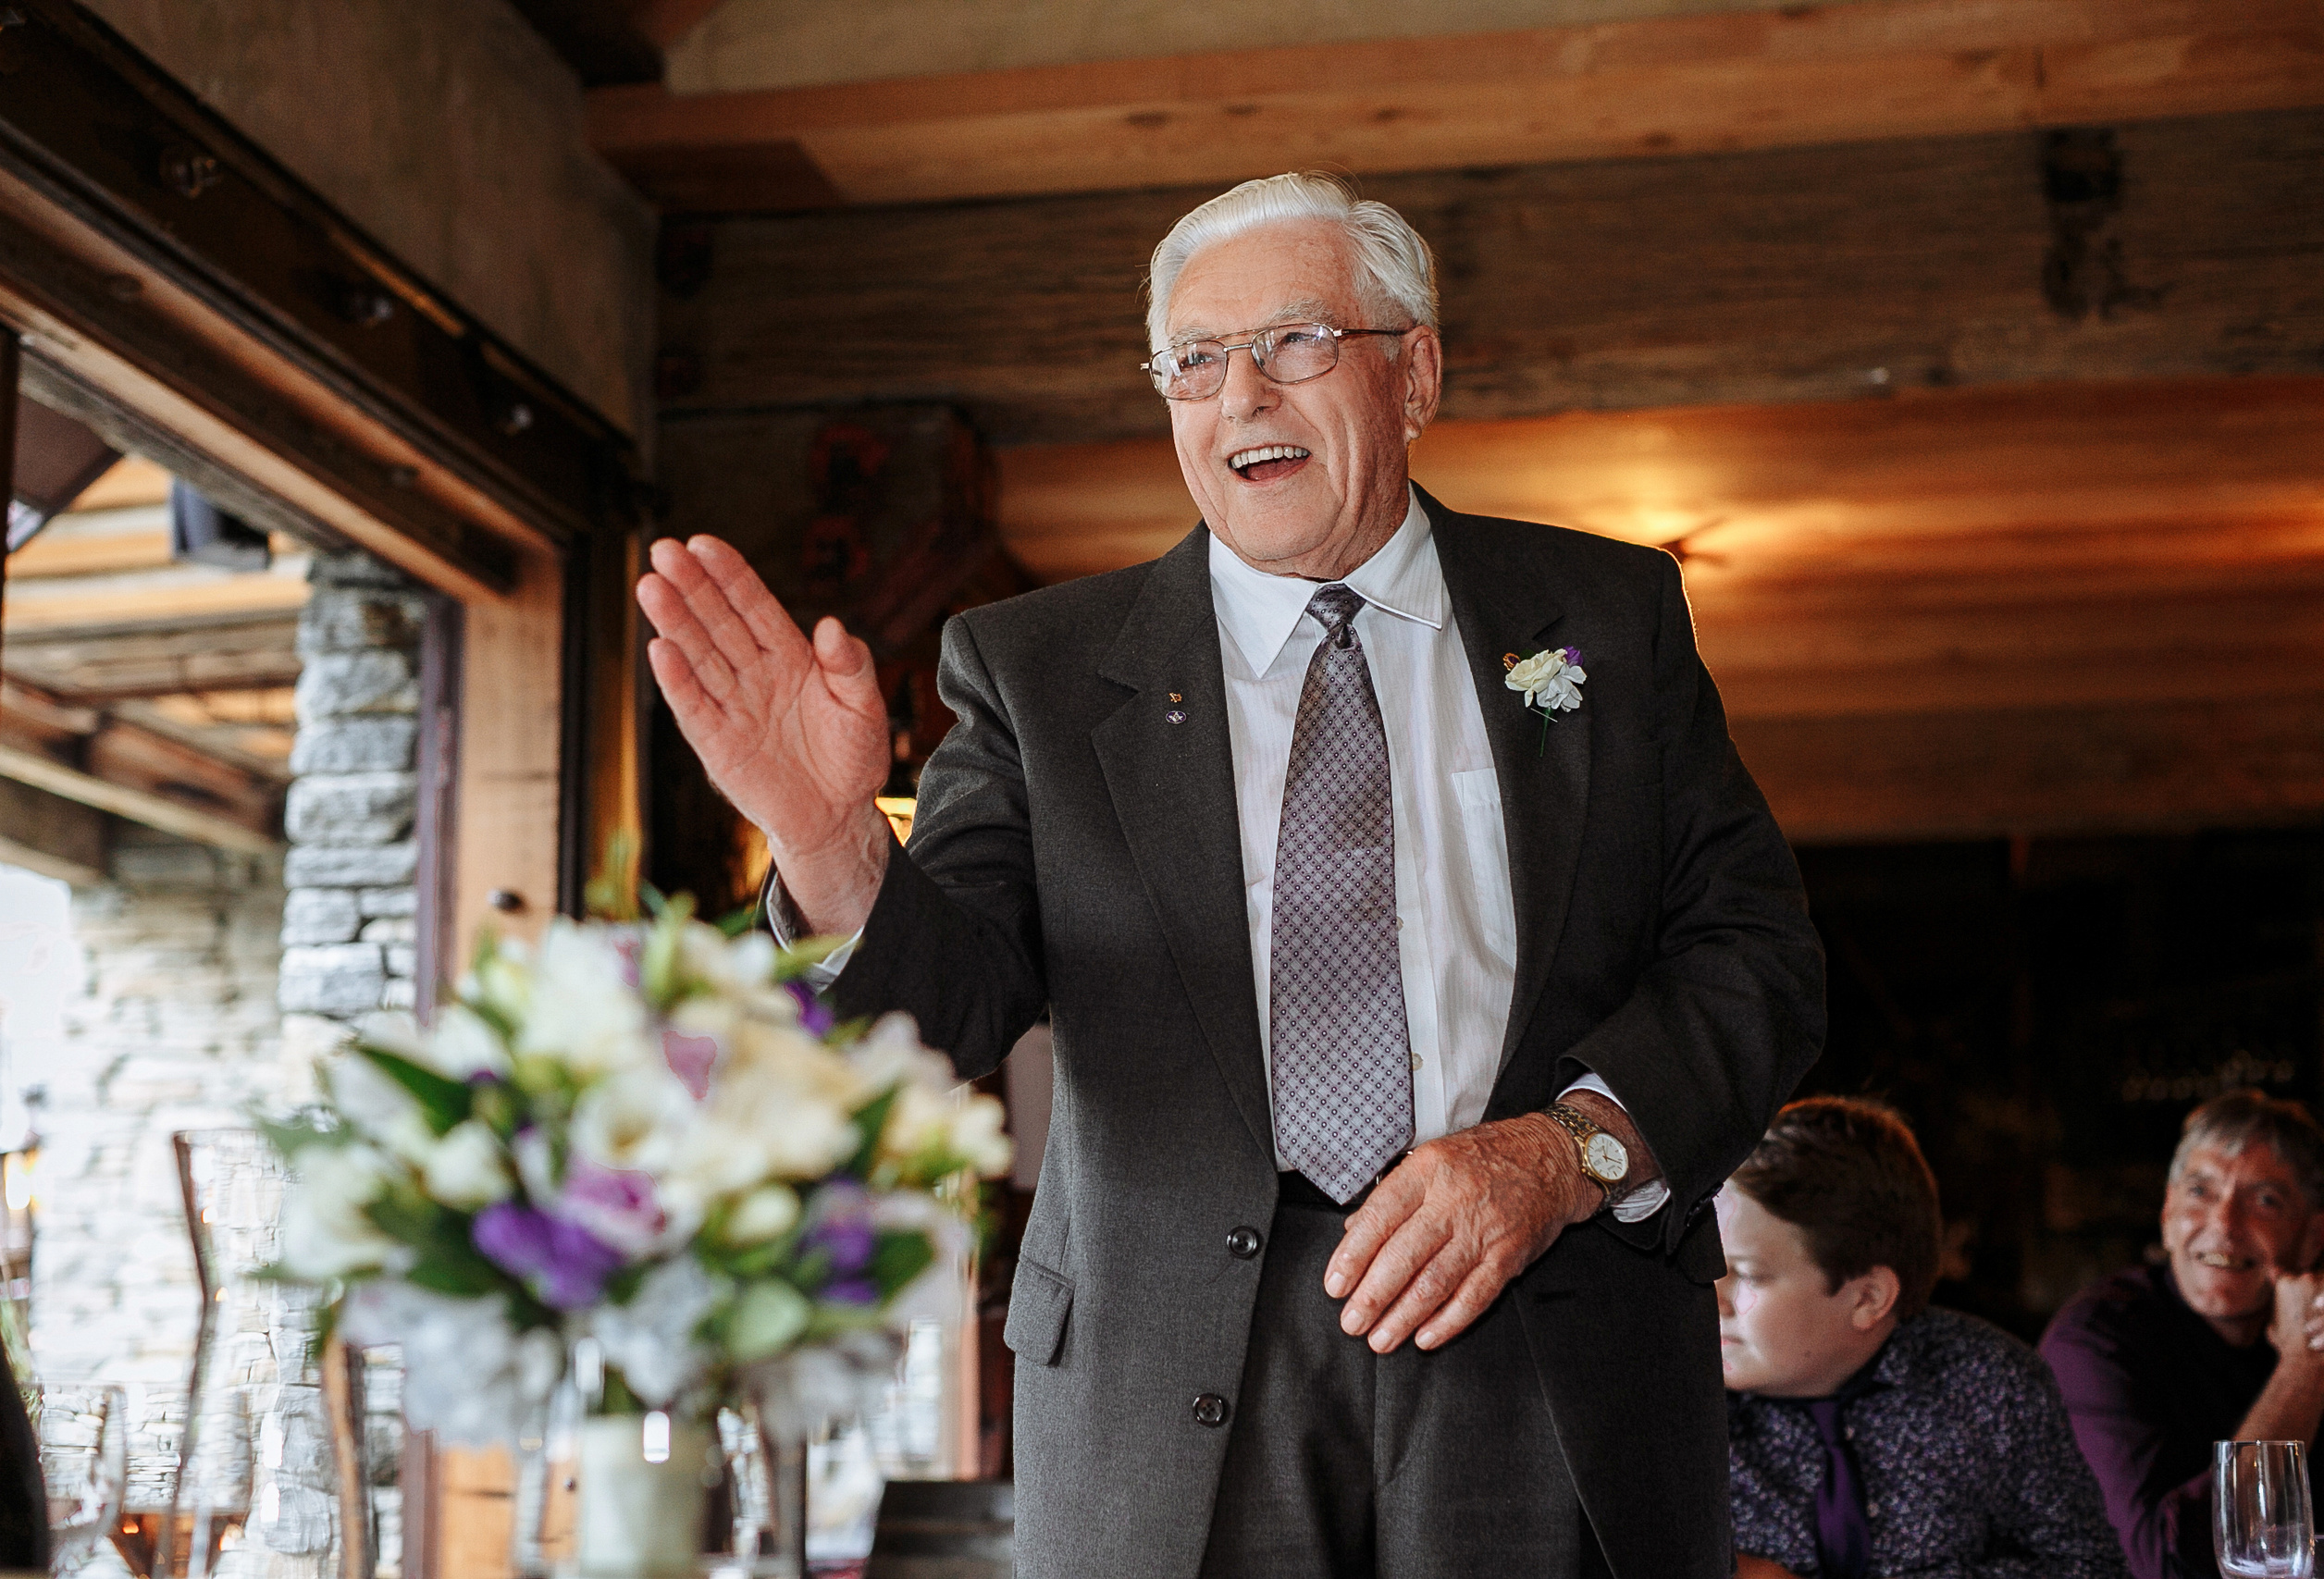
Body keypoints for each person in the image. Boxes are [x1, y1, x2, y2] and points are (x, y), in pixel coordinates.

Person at [637, 171, 1825, 1579]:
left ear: (1415, 373)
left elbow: (1754, 955)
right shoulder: (1039, 670)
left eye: (1298, 342)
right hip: (1168, 1383)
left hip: (1542, 1334)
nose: (1242, 394)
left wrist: (1563, 1151)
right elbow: (941, 1014)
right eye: (1195, 360)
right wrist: (830, 838)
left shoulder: (1608, 621)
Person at [1720, 1096, 2126, 1578]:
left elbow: (2090, 1568)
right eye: (1707, 1267)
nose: (1712, 1299)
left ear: (1867, 1299)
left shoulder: (1992, 1384)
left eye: (1745, 1274)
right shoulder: (1677, 1408)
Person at [2041, 1090, 2324, 1579]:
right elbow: (2165, 1566)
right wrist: (2306, 1366)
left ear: (2312, 1238)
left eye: (2265, 1200)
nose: (2224, 1224)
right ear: (2168, 1215)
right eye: (2200, 1191)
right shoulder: (2093, 1342)